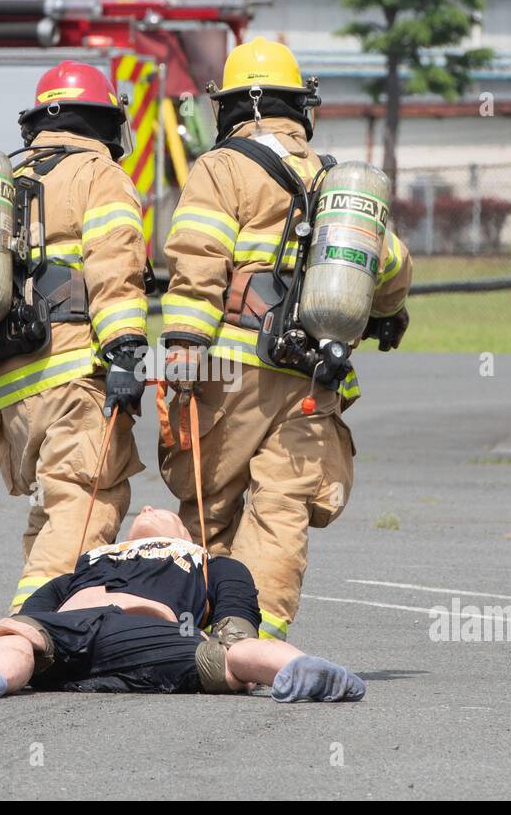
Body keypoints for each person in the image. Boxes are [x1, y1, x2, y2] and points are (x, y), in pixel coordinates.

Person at [157, 38, 413, 643]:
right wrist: (387, 312)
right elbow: (393, 265)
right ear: (299, 109)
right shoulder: (333, 182)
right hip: (309, 376)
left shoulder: (221, 168)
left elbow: (198, 256)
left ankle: (190, 631)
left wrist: (184, 346)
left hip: (229, 369)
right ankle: (254, 638)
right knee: (282, 506)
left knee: (209, 503)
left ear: (230, 109)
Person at [0, 61, 151, 613]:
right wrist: (126, 352)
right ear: (105, 122)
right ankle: (33, 627)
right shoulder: (99, 177)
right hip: (75, 371)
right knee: (87, 501)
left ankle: (38, 619)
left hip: (12, 381)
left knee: (53, 505)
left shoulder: (11, 178)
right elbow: (114, 268)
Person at [0, 507, 365, 702]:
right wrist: (12, 635)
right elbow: (28, 617)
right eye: (139, 513)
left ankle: (307, 672)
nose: (146, 510)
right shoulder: (84, 566)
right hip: (69, 632)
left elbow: (236, 627)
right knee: (16, 637)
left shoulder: (211, 564)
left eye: (161, 512)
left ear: (185, 535)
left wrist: (229, 655)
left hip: (154, 633)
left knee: (234, 658)